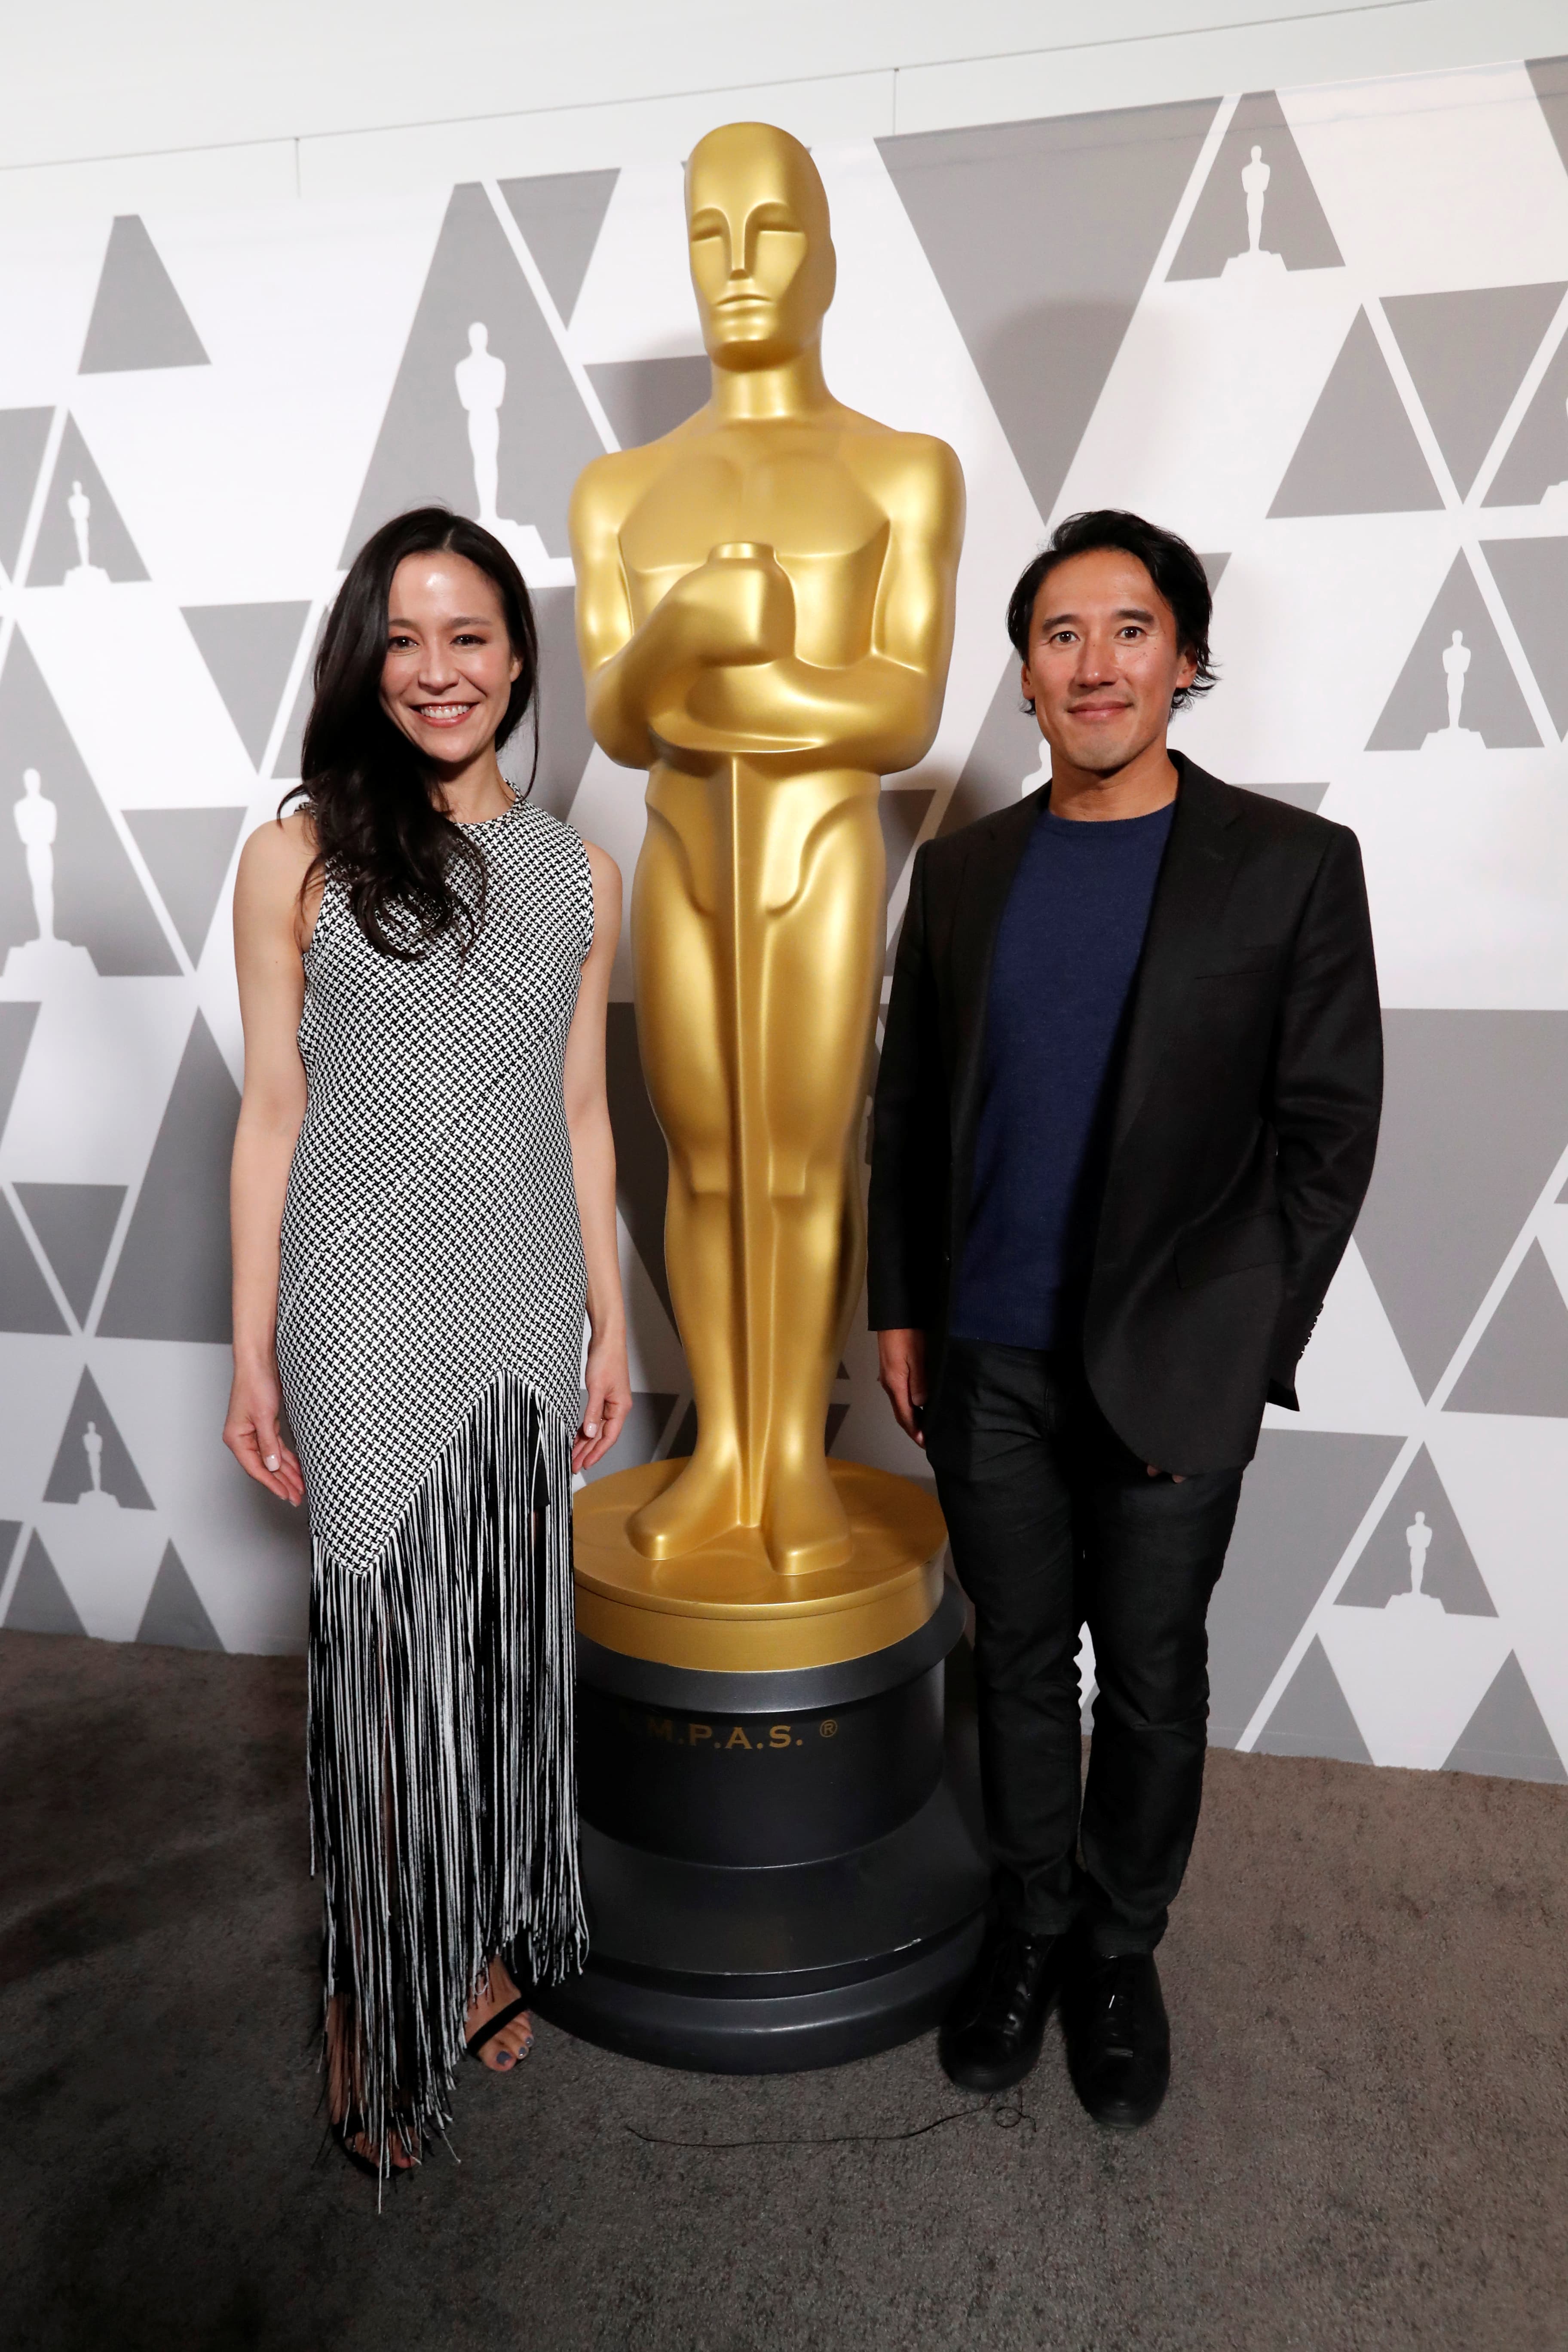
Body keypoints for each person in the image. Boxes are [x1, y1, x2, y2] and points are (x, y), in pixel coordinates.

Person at [870, 510, 1381, 2128]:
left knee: (1153, 1680)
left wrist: (1244, 1337)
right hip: (990, 1357)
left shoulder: (1292, 867)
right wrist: (899, 1309)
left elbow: (1328, 1133)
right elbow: (911, 1108)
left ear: (1185, 657)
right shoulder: (961, 873)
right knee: (1016, 1661)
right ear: (1024, 675)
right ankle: (1028, 1929)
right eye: (1060, 635)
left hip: (1174, 1365)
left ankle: (1118, 1949)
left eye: (1130, 629)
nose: (1095, 664)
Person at [224, 507, 631, 2183]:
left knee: (500, 1658)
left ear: (518, 657)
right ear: (365, 660)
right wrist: (251, 1356)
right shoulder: (298, 855)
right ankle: (366, 2000)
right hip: (364, 1301)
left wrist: (615, 1317)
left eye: (470, 637)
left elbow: (585, 1113)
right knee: (389, 1680)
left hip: (529, 1293)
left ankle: (464, 1948)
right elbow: (270, 1113)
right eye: (407, 639)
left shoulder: (577, 872)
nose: (440, 669)